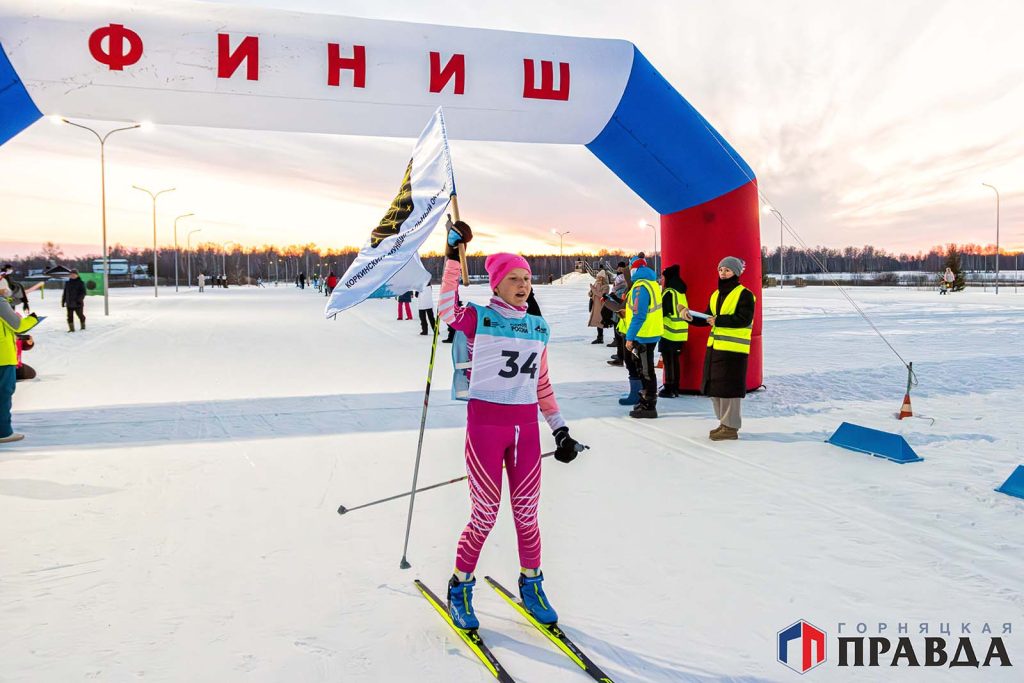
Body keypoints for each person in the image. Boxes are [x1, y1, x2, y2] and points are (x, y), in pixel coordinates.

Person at [440, 218, 584, 630]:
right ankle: (460, 586)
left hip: (525, 430)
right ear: (497, 284)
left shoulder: (539, 327)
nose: (523, 285)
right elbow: (447, 308)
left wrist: (560, 429)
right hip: (486, 427)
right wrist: (453, 256)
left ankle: (532, 584)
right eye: (514, 278)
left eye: (527, 278)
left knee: (526, 514)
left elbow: (542, 384)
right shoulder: (479, 317)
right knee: (485, 514)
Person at [683, 256, 756, 440]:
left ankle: (730, 428)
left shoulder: (745, 294)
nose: (723, 273)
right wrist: (691, 318)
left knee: (729, 391)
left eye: (727, 270)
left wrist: (719, 320)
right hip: (716, 348)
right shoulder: (716, 294)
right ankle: (723, 423)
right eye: (721, 270)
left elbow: (744, 319)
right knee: (716, 388)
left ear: (736, 273)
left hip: (734, 351)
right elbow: (708, 318)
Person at [622, 257, 663, 418]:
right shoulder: (651, 283)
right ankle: (644, 399)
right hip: (649, 333)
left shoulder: (641, 287)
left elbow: (639, 315)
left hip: (644, 334)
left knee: (646, 371)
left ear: (634, 269)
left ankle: (649, 405)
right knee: (643, 369)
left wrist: (630, 337)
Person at [1, 286, 39, 443]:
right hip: (3, 358)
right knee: (3, 394)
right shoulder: (1, 304)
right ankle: (3, 432)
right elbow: (17, 325)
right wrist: (33, 318)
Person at [658, 265, 689, 398]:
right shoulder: (680, 292)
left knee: (669, 361)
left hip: (669, 332)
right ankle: (675, 387)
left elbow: (663, 312)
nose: (662, 280)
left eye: (663, 277)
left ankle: (669, 388)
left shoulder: (669, 292)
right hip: (680, 333)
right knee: (674, 361)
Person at [587, 271, 610, 344]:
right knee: (597, 321)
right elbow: (591, 294)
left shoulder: (606, 286)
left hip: (601, 306)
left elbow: (602, 295)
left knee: (600, 321)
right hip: (595, 305)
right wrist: (591, 291)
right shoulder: (596, 283)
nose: (598, 278)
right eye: (597, 277)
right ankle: (599, 337)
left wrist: (593, 289)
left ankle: (600, 338)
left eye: (600, 277)